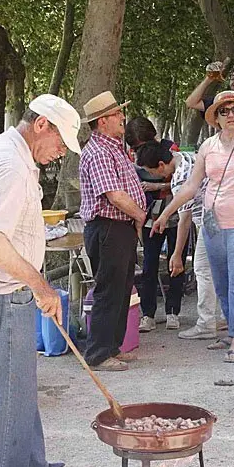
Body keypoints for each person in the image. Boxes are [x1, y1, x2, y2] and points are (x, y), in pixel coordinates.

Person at [0, 94, 81, 467]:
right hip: (0, 294)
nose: (61, 152)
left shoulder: (3, 149)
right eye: (61, 142)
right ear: (42, 124)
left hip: (0, 290)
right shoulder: (10, 163)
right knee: (8, 391)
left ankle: (30, 461)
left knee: (19, 381)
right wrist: (41, 285)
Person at [153, 90, 234, 363]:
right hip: (213, 224)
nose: (231, 115)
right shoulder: (207, 147)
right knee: (221, 282)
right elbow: (191, 187)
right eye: (224, 111)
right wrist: (166, 213)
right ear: (216, 118)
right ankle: (231, 331)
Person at [79, 91, 146, 371]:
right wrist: (141, 215)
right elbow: (115, 195)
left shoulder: (113, 147)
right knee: (109, 290)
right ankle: (98, 353)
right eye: (117, 114)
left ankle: (112, 347)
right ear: (103, 121)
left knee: (121, 289)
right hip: (109, 227)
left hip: (120, 227)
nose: (122, 118)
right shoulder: (98, 151)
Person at [135, 138, 225, 340]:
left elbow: (184, 220)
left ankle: (206, 324)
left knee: (202, 269)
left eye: (152, 172)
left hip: (211, 220)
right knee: (220, 269)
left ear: (161, 165)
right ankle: (225, 317)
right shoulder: (187, 158)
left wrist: (176, 255)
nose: (153, 177)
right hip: (224, 214)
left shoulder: (179, 180)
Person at [123, 118, 184, 333]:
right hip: (148, 215)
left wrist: (156, 185)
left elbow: (183, 182)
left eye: (141, 146)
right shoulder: (131, 157)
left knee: (176, 261)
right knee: (148, 265)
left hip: (176, 213)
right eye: (135, 148)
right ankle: (148, 313)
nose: (138, 152)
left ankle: (173, 311)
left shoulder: (170, 150)